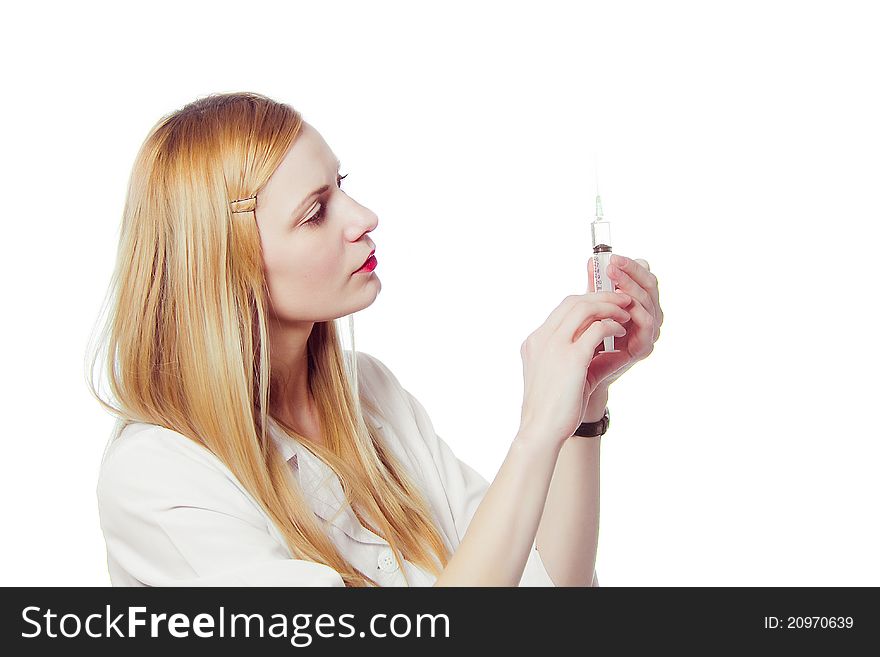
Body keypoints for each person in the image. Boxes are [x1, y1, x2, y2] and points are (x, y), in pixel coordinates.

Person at [88, 91, 663, 587]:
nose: (363, 216)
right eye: (315, 212)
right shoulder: (158, 478)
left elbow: (544, 591)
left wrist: (582, 406)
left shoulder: (369, 392)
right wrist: (535, 433)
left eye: (340, 186)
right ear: (226, 264)